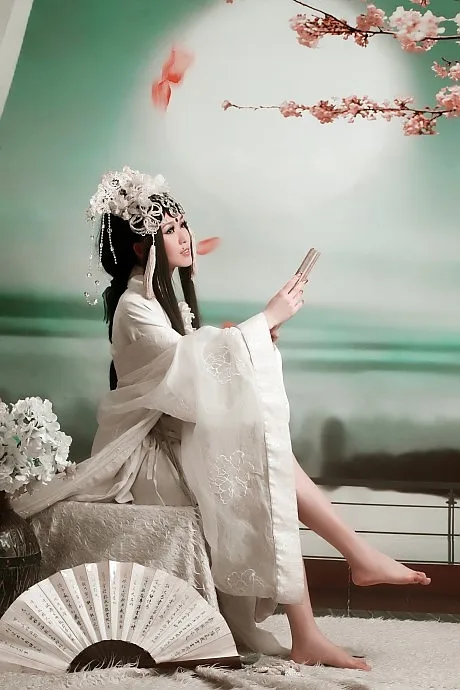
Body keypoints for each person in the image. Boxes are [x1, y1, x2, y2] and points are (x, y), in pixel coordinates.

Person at [13, 167, 430, 671]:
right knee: (258, 459)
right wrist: (265, 319)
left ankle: (334, 591)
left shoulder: (162, 301)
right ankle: (342, 579)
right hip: (146, 455)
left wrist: (254, 344)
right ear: (142, 246)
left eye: (183, 225)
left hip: (175, 437)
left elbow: (201, 365)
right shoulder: (133, 307)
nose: (184, 237)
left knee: (261, 451)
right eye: (169, 230)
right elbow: (190, 373)